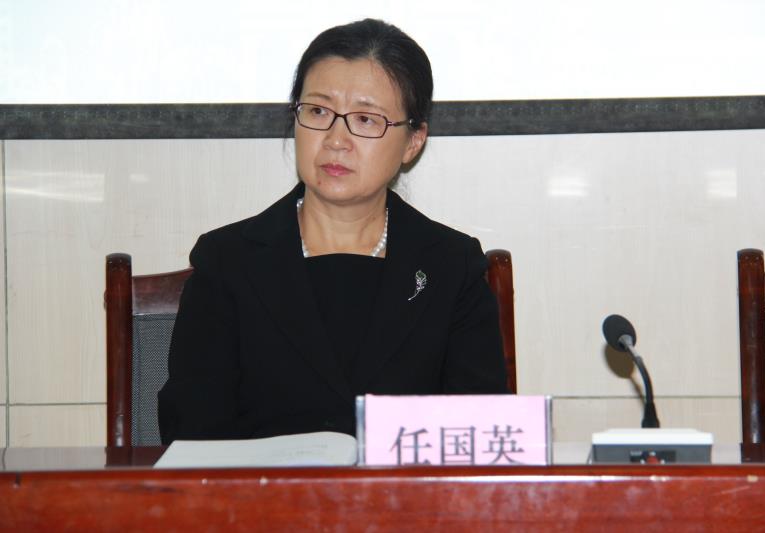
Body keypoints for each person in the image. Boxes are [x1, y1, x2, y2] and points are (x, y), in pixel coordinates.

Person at [158, 18, 508, 444]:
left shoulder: (451, 267)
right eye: (318, 112)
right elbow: (193, 432)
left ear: (413, 141)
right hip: (264, 489)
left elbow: (478, 433)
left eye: (366, 119)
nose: (336, 139)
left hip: (403, 489)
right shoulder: (227, 262)